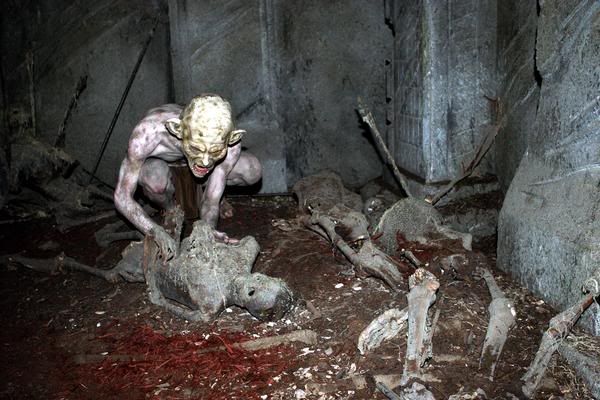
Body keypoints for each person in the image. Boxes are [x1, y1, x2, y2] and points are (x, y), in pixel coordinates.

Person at [114, 94, 262, 260]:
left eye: (214, 151)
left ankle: (216, 192)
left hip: (191, 163)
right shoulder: (149, 132)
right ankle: (170, 210)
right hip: (161, 162)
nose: (206, 161)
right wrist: (155, 233)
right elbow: (122, 197)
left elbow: (210, 202)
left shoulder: (227, 141)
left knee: (252, 169)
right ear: (177, 130)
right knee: (155, 181)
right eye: (197, 148)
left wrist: (208, 233)